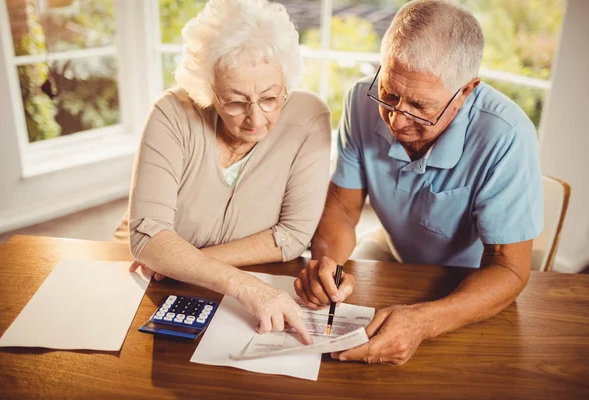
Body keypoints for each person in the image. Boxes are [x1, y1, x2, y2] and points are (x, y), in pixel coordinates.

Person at [295, 0, 543, 364]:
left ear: (466, 91)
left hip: (472, 280)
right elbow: (344, 208)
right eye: (390, 94)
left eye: (421, 107)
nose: (395, 120)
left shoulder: (508, 134)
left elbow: (508, 268)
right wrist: (327, 264)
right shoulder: (359, 101)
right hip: (393, 255)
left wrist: (423, 323)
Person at [118, 0, 332, 344]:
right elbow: (147, 236)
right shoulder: (171, 113)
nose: (256, 119)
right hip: (152, 279)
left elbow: (292, 235)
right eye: (234, 101)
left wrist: (179, 260)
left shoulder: (308, 118)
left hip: (173, 274)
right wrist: (243, 285)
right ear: (207, 91)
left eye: (270, 99)